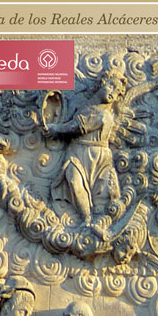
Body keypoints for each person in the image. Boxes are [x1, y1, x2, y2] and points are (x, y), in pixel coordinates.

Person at [45, 68, 128, 228]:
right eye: (111, 86)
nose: (113, 94)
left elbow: (77, 127)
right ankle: (87, 219)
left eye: (117, 93)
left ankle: (99, 223)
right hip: (78, 153)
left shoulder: (103, 115)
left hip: (98, 157)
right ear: (102, 82)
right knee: (74, 182)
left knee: (101, 193)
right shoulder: (87, 105)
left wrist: (56, 129)